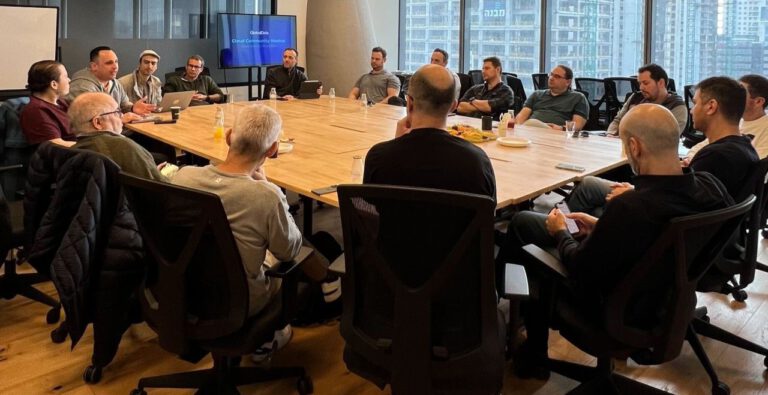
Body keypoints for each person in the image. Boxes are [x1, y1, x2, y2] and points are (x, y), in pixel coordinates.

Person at [510, 104, 733, 379]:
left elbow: (580, 271)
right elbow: (661, 239)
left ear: (635, 147)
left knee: (529, 239)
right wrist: (602, 227)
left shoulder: (632, 208)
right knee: (530, 222)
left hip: (616, 313)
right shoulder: (712, 186)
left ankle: (531, 353)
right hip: (668, 303)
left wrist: (560, 232)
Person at [555, 76, 756, 221]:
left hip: (654, 221)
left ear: (711, 107)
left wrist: (633, 194)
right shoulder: (742, 147)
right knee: (591, 185)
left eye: (695, 104)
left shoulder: (717, 158)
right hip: (669, 216)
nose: (692, 110)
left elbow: (676, 206)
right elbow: (682, 196)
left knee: (586, 187)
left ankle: (559, 223)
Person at [365, 64, 495, 198]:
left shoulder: (379, 157)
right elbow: (488, 214)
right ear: (453, 106)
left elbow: (368, 209)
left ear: (409, 103)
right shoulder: (477, 162)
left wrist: (397, 144)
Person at [68, 92, 166, 181]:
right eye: (116, 112)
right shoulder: (124, 147)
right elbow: (160, 188)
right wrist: (159, 174)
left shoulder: (72, 152)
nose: (121, 116)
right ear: (98, 122)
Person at [686, 74, 768, 159]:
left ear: (758, 101)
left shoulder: (765, 128)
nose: (733, 96)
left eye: (742, 94)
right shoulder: (734, 122)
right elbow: (699, 147)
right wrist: (689, 160)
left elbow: (757, 163)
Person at [66, 46, 155, 123]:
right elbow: (87, 121)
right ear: (94, 66)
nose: (115, 66)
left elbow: (124, 105)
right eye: (109, 63)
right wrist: (120, 119)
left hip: (114, 131)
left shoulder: (114, 82)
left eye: (116, 62)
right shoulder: (82, 86)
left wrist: (132, 108)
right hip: (92, 137)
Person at [606, 63, 687, 135]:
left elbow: (668, 137)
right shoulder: (635, 97)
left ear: (661, 83)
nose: (641, 87)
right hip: (625, 146)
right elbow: (617, 121)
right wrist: (610, 135)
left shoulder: (677, 105)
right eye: (640, 83)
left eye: (645, 83)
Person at [515, 65, 589, 131]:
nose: (551, 78)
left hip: (557, 134)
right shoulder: (537, 94)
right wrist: (518, 128)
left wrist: (561, 128)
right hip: (531, 130)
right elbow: (521, 116)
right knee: (529, 123)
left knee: (532, 122)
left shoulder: (578, 98)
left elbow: (578, 125)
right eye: (551, 75)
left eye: (557, 76)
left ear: (568, 82)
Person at [20, 60, 75, 146]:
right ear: (54, 84)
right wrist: (92, 146)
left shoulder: (62, 102)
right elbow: (55, 144)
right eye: (65, 77)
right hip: (68, 156)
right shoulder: (36, 111)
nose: (69, 80)